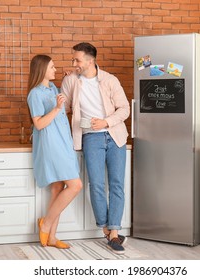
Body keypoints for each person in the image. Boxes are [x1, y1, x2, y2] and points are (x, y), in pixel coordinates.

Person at [61, 42, 130, 254]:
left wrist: (106, 122)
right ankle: (107, 229)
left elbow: (125, 108)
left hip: (115, 136)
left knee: (117, 184)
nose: (74, 63)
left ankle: (114, 232)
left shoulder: (110, 80)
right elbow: (62, 109)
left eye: (77, 60)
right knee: (97, 185)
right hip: (91, 138)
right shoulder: (71, 80)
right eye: (73, 60)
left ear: (91, 61)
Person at [27, 54, 82, 249]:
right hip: (51, 144)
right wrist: (58, 108)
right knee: (75, 185)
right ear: (42, 69)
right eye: (52, 67)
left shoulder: (52, 88)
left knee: (58, 189)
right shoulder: (34, 94)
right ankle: (46, 223)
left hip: (63, 142)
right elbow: (39, 124)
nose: (55, 70)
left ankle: (51, 237)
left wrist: (70, 75)